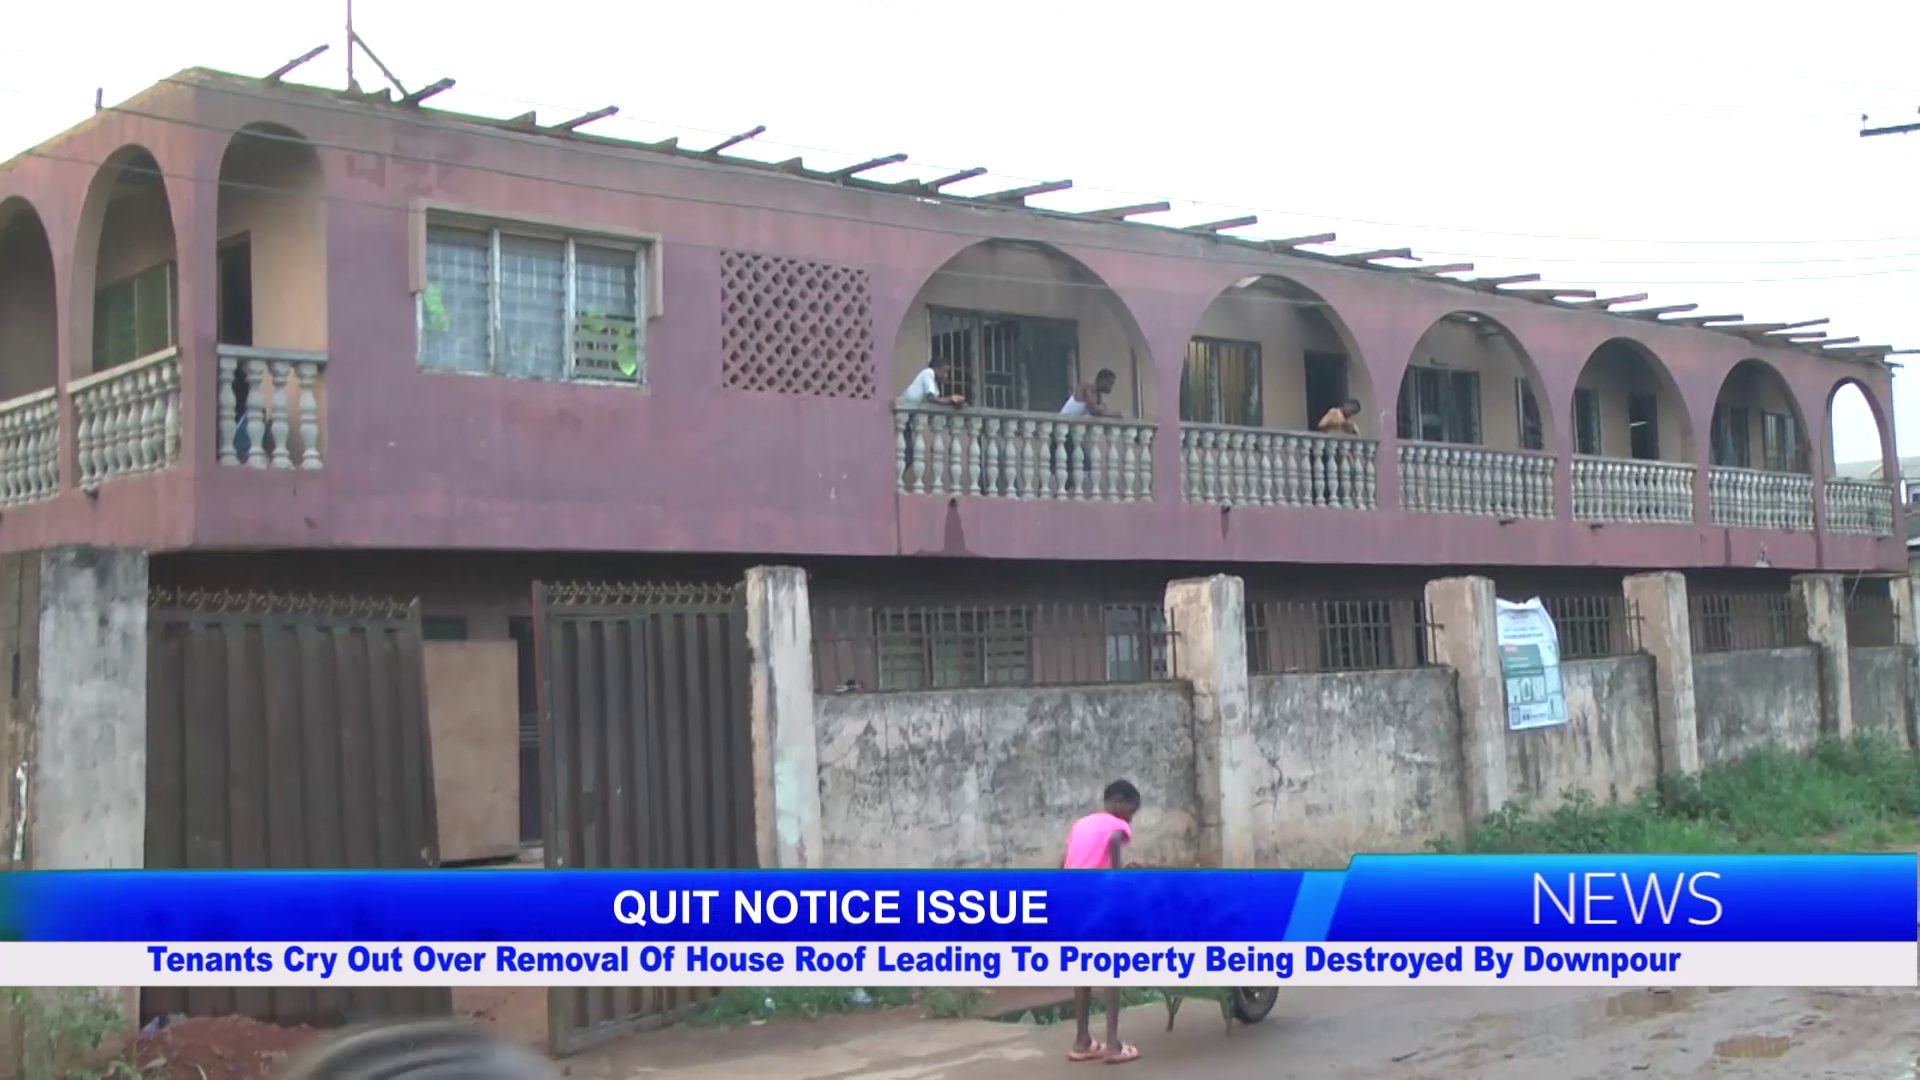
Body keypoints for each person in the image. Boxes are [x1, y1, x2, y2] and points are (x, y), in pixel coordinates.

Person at [1063, 779, 1142, 1066]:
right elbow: (1112, 845)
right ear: (1119, 803)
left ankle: (1082, 1041)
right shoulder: (1116, 825)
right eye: (1131, 811)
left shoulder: (1081, 824)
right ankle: (1112, 1044)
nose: (1131, 818)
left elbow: (1064, 863)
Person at [898, 362, 965, 481]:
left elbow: (935, 401)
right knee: (907, 454)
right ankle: (894, 480)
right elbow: (931, 398)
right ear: (936, 368)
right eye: (944, 371)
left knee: (908, 454)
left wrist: (953, 403)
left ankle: (895, 479)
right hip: (901, 417)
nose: (946, 375)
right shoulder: (928, 373)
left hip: (906, 420)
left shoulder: (933, 384)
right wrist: (950, 399)